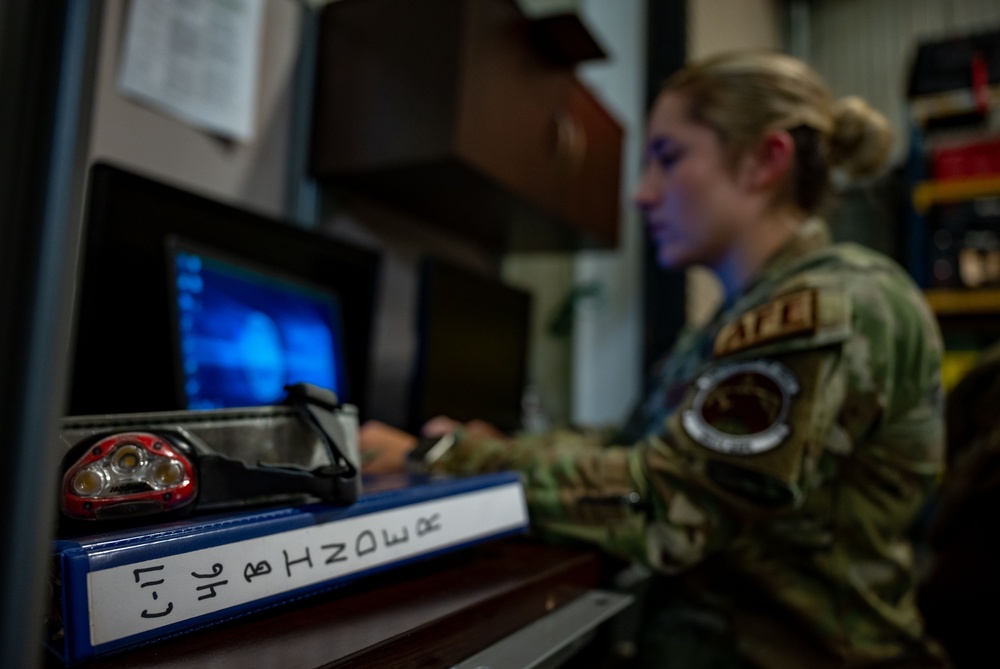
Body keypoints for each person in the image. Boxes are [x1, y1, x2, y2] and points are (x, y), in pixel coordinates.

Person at [361, 50, 948, 668]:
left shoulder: (832, 303)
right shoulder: (738, 321)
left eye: (668, 158)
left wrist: (454, 460)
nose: (642, 195)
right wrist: (488, 449)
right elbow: (631, 445)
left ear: (764, 161)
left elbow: (670, 504)